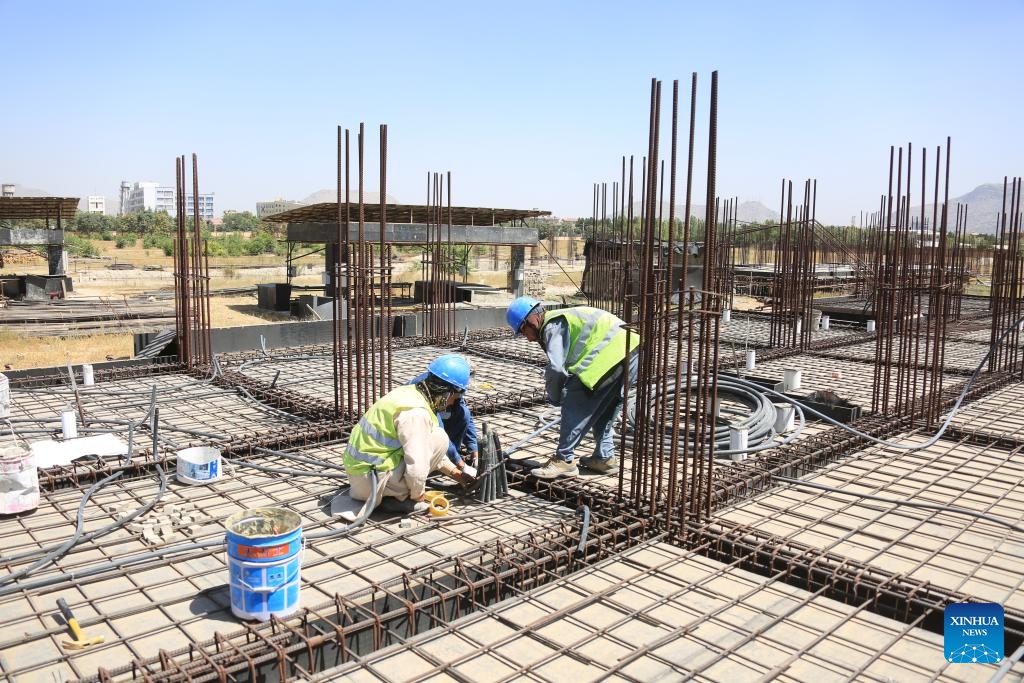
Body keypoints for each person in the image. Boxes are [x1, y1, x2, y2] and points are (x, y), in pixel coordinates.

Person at [506, 296, 639, 479]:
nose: (527, 339)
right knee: (605, 408)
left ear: (532, 320)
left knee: (575, 397)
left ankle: (564, 460)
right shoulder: (561, 317)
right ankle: (605, 458)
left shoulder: (552, 325)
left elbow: (556, 369)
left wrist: (554, 396)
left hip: (610, 354)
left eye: (523, 331)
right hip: (632, 350)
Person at [344, 354, 476, 513]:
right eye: (456, 397)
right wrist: (418, 495)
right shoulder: (416, 413)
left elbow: (429, 448)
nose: (454, 402)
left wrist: (455, 473)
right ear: (447, 393)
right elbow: (417, 465)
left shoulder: (411, 392)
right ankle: (396, 498)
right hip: (370, 483)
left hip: (361, 475)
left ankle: (394, 493)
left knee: (437, 437)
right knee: (440, 438)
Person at [408, 365, 479, 471]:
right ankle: (439, 460)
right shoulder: (425, 391)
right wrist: (460, 464)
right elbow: (439, 429)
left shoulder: (448, 384)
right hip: (407, 434)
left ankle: (447, 458)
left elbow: (466, 416)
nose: (453, 401)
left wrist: (474, 450)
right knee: (439, 436)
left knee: (464, 414)